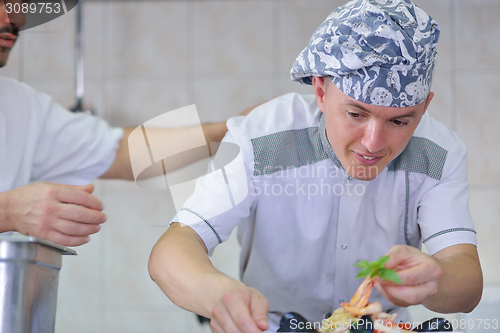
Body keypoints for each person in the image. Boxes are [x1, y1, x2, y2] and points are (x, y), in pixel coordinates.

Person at [148, 0, 483, 332]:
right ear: (321, 92)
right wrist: (219, 294)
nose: (373, 143)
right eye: (356, 114)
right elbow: (173, 249)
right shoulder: (260, 136)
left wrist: (436, 279)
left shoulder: (440, 153)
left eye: (399, 121)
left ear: (424, 108)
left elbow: (467, 281)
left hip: (381, 325)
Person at [0, 0, 234, 247]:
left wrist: (229, 131)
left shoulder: (19, 105)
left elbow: (123, 154)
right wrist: (8, 211)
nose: (17, 19)